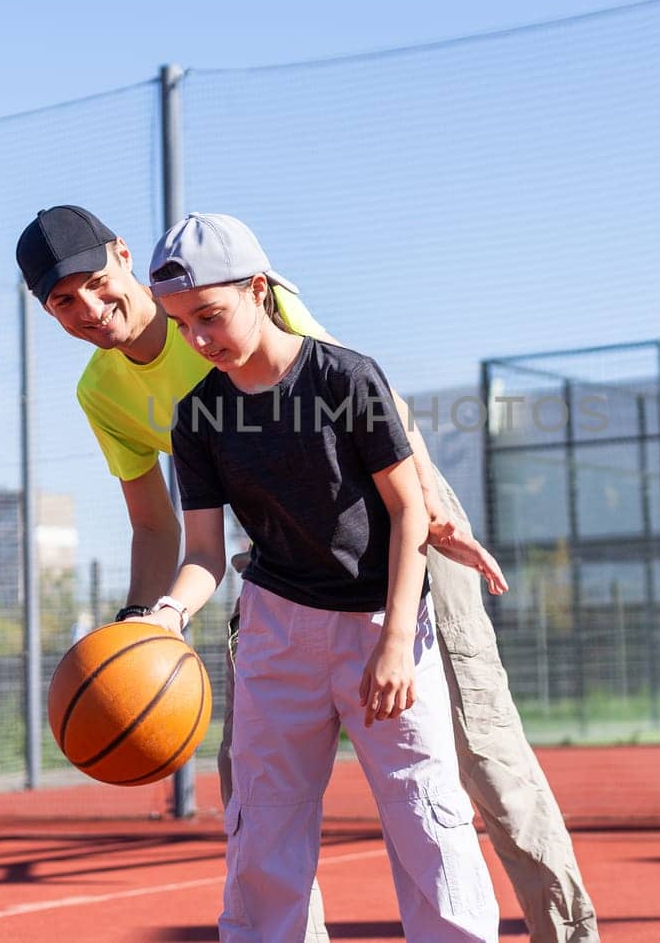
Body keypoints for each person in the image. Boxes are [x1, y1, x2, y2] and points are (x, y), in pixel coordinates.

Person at [15, 205, 598, 941]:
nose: (90, 310)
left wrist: (429, 520)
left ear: (123, 256)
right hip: (280, 548)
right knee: (253, 784)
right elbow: (160, 526)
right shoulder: (105, 392)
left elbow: (370, 413)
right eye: (62, 303)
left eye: (96, 284)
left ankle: (570, 933)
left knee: (484, 762)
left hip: (397, 510)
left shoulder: (235, 288)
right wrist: (148, 630)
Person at [140, 212, 499, 939]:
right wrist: (167, 614)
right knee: (263, 831)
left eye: (209, 315)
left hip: (381, 620)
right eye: (181, 325)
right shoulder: (198, 417)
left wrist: (398, 639)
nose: (199, 339)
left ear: (258, 289)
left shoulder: (346, 377)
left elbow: (407, 512)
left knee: (429, 820)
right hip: (278, 625)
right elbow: (205, 551)